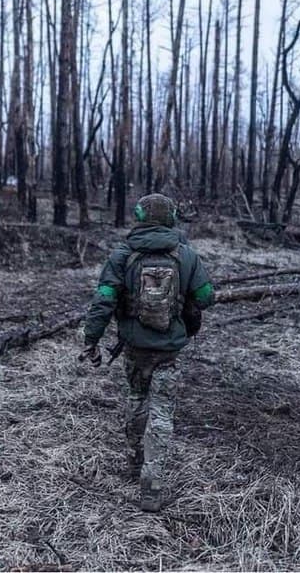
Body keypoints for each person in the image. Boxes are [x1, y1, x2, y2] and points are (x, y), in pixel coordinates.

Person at [81, 193, 215, 512]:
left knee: (137, 399)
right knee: (162, 412)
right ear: (171, 219)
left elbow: (103, 301)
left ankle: (134, 461)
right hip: (168, 350)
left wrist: (91, 339)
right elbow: (207, 296)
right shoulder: (186, 255)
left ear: (140, 218)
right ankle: (151, 488)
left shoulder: (122, 255)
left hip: (134, 347)